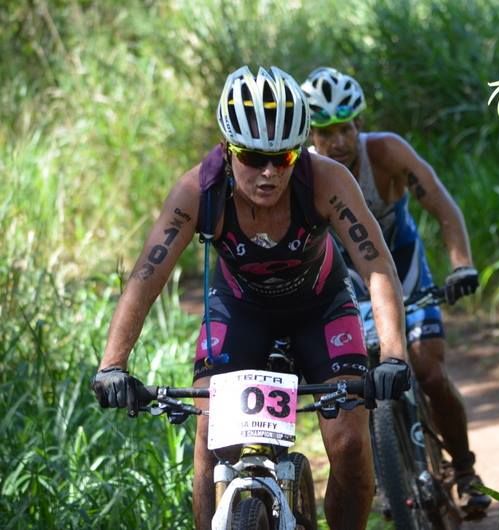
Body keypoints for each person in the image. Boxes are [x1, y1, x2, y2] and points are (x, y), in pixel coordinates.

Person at [90, 65, 411, 530]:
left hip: (320, 307)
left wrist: (395, 355)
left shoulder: (326, 179)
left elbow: (376, 264)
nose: (267, 173)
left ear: (299, 152)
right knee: (209, 438)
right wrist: (112, 364)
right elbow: (146, 274)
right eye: (251, 157)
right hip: (240, 310)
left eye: (282, 159)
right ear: (227, 148)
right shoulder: (198, 191)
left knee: (348, 444)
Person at [301, 67, 491, 518]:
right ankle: (389, 473)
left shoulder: (386, 153)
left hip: (403, 267)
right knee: (360, 383)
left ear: (359, 126)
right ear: (312, 135)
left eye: (345, 128)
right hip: (345, 278)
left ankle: (464, 471)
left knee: (426, 369)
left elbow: (442, 205)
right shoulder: (304, 173)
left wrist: (461, 264)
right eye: (326, 133)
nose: (338, 142)